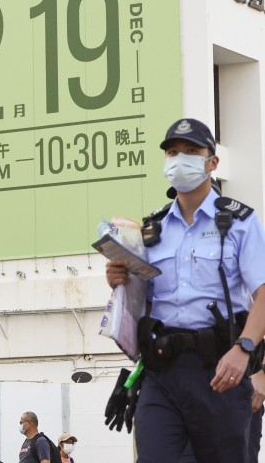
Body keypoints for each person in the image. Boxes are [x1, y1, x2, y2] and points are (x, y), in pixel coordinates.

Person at [105, 118, 265, 462]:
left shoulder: (240, 222)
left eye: (191, 151)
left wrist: (244, 349)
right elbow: (140, 300)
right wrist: (119, 279)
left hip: (220, 368)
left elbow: (263, 294)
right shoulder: (152, 230)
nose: (180, 159)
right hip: (161, 371)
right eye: (173, 152)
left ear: (212, 162)